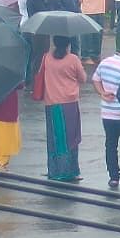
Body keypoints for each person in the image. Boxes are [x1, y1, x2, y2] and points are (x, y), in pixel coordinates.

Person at [91, 39, 120, 189]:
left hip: (107, 113)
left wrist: (102, 93)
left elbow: (95, 80)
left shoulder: (105, 62)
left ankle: (113, 177)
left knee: (110, 145)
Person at [40, 37, 86, 182]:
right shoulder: (73, 59)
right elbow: (83, 78)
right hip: (69, 103)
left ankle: (54, 169)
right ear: (68, 44)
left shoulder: (46, 58)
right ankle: (68, 171)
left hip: (51, 102)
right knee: (70, 138)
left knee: (54, 138)